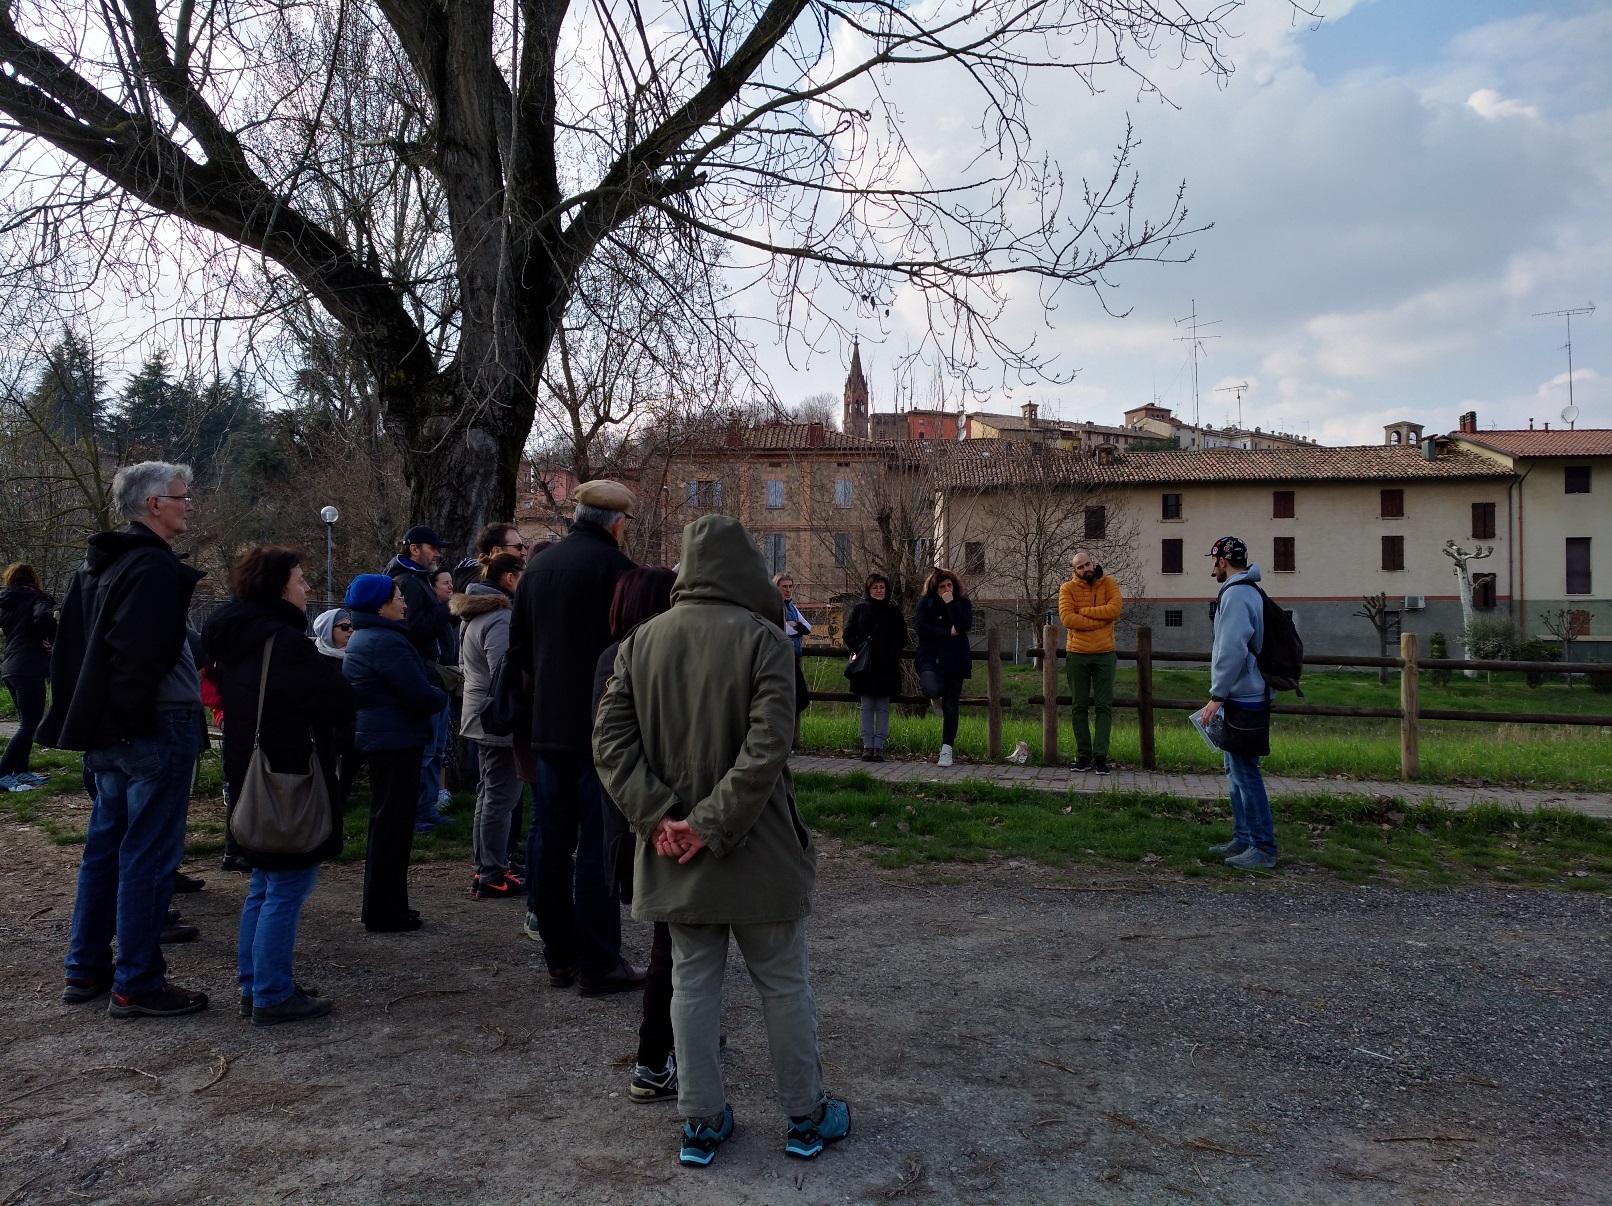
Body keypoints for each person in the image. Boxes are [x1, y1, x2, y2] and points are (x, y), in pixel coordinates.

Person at [594, 515, 849, 1169]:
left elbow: (610, 742)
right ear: (742, 569)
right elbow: (769, 746)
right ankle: (806, 1115)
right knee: (784, 985)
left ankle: (701, 1121)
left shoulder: (641, 643)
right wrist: (708, 824)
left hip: (675, 852)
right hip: (757, 846)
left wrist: (661, 820)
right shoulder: (765, 640)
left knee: (692, 986)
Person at [42, 461, 209, 1017]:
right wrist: (137, 719)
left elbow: (78, 652)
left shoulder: (98, 565)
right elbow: (137, 655)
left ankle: (85, 967)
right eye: (182, 496)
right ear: (153, 504)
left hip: (110, 729)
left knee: (105, 850)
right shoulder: (152, 567)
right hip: (152, 726)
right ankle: (137, 983)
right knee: (148, 855)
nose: (190, 504)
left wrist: (103, 721)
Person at [201, 548, 356, 1025]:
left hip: (249, 766)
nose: (307, 588)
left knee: (263, 885)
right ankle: (270, 992)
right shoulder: (282, 642)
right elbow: (334, 701)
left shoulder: (236, 636)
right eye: (301, 579)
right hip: (287, 772)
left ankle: (258, 983)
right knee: (286, 885)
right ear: (277, 586)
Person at [507, 479, 644, 994]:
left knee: (550, 841)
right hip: (601, 732)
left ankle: (558, 956)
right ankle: (599, 960)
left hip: (547, 730)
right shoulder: (620, 572)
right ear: (616, 523)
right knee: (598, 845)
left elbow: (517, 649)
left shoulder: (537, 567)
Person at [589, 565, 680, 1103]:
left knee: (675, 942)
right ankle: (655, 1058)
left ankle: (677, 1037)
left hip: (624, 820)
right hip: (653, 821)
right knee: (676, 945)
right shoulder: (645, 658)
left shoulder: (609, 657)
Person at [342, 573, 450, 931]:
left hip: (384, 737)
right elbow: (417, 694)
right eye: (398, 598)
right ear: (380, 605)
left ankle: (390, 906)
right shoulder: (385, 642)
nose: (404, 603)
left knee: (389, 825)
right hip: (395, 740)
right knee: (392, 828)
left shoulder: (368, 636)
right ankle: (385, 911)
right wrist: (440, 693)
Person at [1199, 537, 1278, 870]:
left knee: (1245, 772)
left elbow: (1231, 649)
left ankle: (1263, 848)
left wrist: (1217, 695)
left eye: (1214, 561)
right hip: (1246, 693)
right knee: (1235, 769)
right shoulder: (1249, 590)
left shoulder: (1235, 594)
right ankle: (1243, 838)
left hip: (1244, 696)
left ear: (1222, 562)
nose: (1213, 567)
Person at [453, 552, 525, 899]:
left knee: (489, 794)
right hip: (496, 718)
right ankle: (493, 872)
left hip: (480, 712)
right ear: (510, 578)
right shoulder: (499, 618)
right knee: (500, 796)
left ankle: (486, 866)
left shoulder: (478, 613)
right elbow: (505, 671)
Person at [385, 525, 455, 829]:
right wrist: (449, 608)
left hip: (436, 675)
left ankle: (426, 809)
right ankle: (415, 812)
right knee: (427, 750)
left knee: (436, 748)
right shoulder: (409, 582)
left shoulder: (417, 579)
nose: (437, 553)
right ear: (414, 549)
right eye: (433, 547)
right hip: (426, 673)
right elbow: (417, 626)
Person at [1058, 550, 1123, 774]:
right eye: (1080, 567)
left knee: (1104, 706)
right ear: (1074, 571)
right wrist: (1101, 621)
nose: (1086, 569)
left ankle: (1101, 757)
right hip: (1077, 654)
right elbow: (1067, 619)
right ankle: (1083, 756)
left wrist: (1084, 612)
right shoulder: (1067, 589)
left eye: (1087, 564)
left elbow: (1115, 610)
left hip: (1105, 653)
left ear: (1094, 563)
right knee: (1079, 706)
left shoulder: (1109, 584)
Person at [843, 573, 907, 763]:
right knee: (866, 706)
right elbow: (848, 633)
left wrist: (891, 653)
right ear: (868, 590)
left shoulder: (893, 611)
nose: (878, 591)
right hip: (866, 667)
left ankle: (879, 746)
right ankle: (867, 745)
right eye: (874, 588)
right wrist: (859, 649)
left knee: (883, 707)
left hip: (887, 666)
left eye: (881, 587)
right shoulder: (859, 609)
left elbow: (902, 636)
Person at [0, 563, 56, 778]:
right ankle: (4, 771)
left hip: (10, 667)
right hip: (29, 667)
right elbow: (43, 617)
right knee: (30, 724)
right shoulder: (37, 599)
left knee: (27, 723)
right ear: (34, 579)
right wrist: (52, 638)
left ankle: (21, 770)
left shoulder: (8, 602)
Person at [913, 568, 973, 768]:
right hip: (931, 657)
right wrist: (947, 632)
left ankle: (946, 749)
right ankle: (934, 699)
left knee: (951, 705)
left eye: (949, 585)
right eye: (942, 586)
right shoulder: (925, 604)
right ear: (934, 588)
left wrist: (950, 603)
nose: (946, 589)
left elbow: (964, 624)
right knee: (932, 688)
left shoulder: (962, 603)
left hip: (956, 659)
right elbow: (922, 629)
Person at [312, 609, 361, 806]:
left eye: (351, 626)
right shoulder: (316, 658)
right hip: (326, 723)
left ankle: (342, 793)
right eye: (343, 627)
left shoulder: (355, 656)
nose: (350, 631)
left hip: (351, 722)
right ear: (326, 631)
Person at [775, 573, 812, 718]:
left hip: (794, 656)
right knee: (790, 698)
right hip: (781, 657)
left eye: (790, 586)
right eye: (784, 586)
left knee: (799, 698)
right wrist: (796, 628)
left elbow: (808, 627)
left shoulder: (792, 608)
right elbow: (782, 629)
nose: (788, 590)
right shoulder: (774, 606)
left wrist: (795, 624)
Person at [452, 522, 528, 593]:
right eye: (518, 547)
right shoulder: (491, 586)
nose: (524, 552)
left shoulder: (468, 580)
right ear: (497, 551)